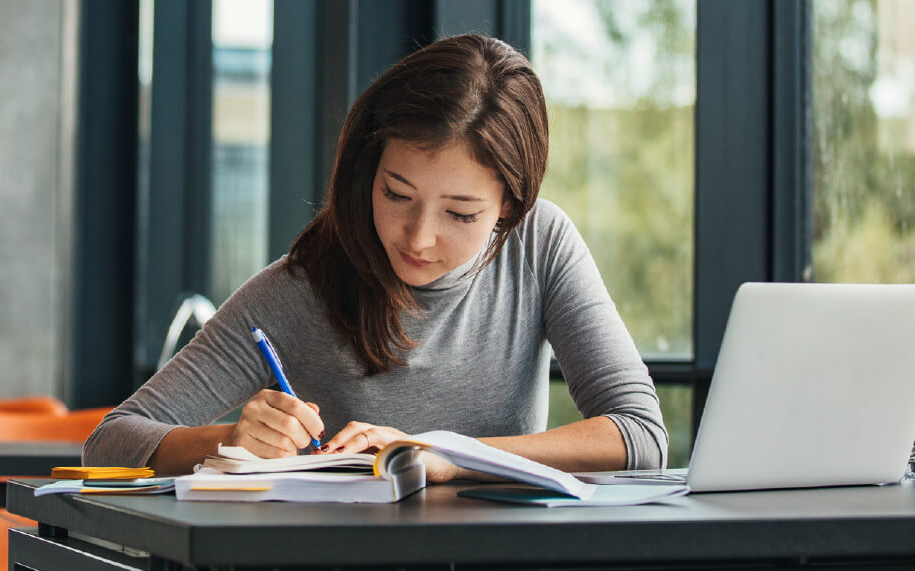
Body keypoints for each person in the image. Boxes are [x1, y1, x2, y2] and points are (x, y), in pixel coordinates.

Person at [84, 34, 668, 481]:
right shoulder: (302, 287)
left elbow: (639, 435)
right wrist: (229, 440)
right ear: (368, 171)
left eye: (460, 215)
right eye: (396, 194)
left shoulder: (539, 245)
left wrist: (443, 453)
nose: (418, 238)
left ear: (509, 208)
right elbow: (109, 442)